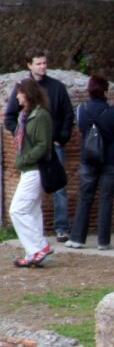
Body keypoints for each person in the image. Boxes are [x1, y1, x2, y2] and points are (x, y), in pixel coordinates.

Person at [4, 48, 75, 242]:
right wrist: (21, 136)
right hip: (32, 150)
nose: (43, 66)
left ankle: (61, 227)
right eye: (38, 63)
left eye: (44, 63)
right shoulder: (22, 88)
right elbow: (9, 117)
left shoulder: (57, 87)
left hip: (54, 145)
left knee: (58, 186)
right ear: (29, 65)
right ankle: (37, 234)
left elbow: (68, 114)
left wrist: (62, 137)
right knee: (31, 194)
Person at [64, 76, 114, 251]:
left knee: (85, 197)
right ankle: (103, 241)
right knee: (106, 198)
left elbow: (81, 130)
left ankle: (77, 238)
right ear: (105, 91)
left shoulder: (81, 109)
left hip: (89, 158)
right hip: (111, 159)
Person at [9, 78, 54, 267]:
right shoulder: (25, 115)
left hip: (35, 169)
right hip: (28, 169)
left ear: (27, 94)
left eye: (20, 92)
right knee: (32, 212)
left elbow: (43, 145)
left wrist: (24, 159)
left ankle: (39, 248)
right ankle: (32, 253)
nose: (17, 96)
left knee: (17, 210)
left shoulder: (41, 115)